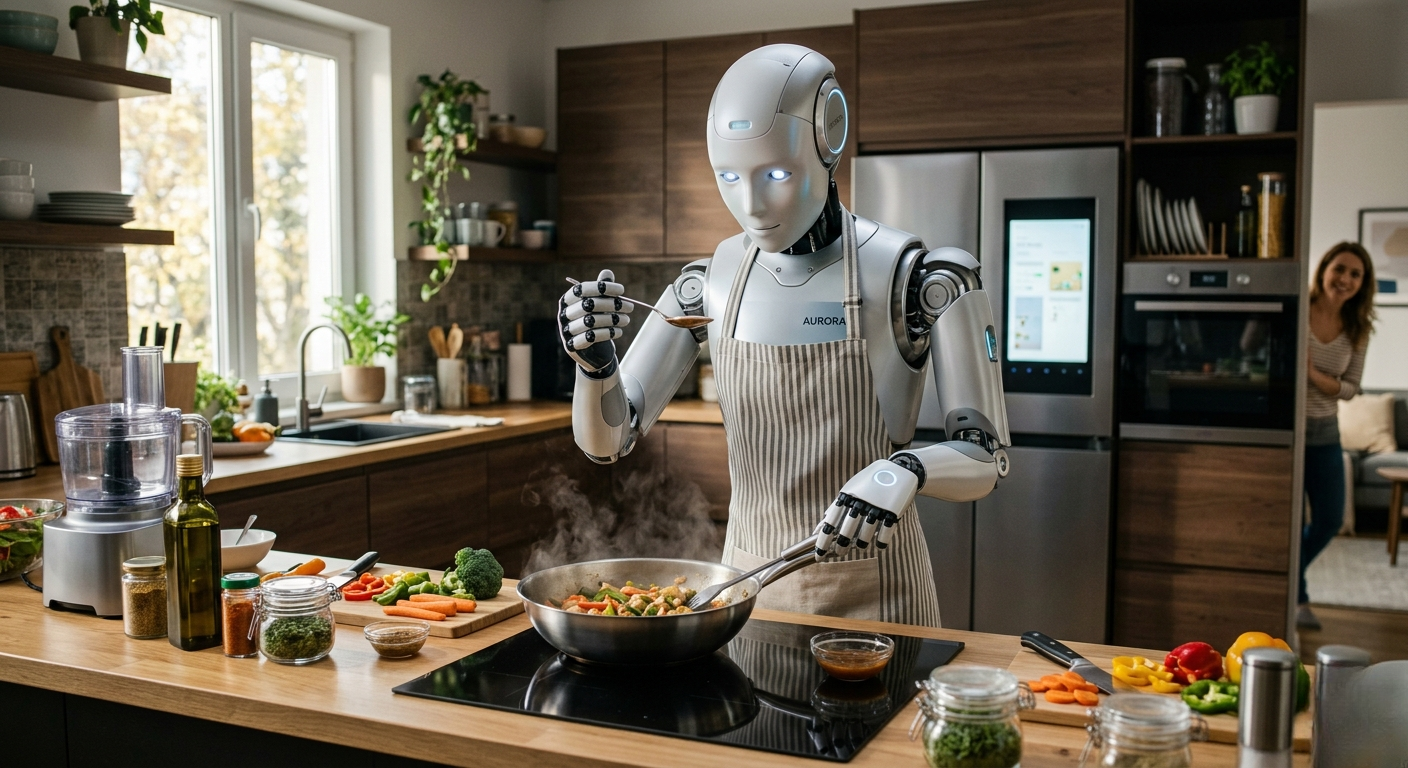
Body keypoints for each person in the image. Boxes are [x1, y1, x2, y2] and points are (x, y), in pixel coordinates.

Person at [557, 45, 1011, 627]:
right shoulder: (709, 282)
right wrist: (595, 364)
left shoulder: (917, 277)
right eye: (728, 177)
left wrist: (903, 470)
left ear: (830, 136)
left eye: (775, 174)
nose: (751, 205)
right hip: (748, 595)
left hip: (879, 601)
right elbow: (607, 443)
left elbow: (986, 456)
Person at [1300, 241, 1377, 629]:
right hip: (1290, 433)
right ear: (1324, 269)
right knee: (1290, 522)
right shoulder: (1300, 307)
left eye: (1355, 274)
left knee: (1330, 518)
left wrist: (1313, 375)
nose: (1345, 279)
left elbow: (1353, 388)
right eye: (1339, 269)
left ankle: (1292, 583)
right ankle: (1297, 598)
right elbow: (1251, 346)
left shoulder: (1358, 328)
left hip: (1326, 432)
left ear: (1362, 284)